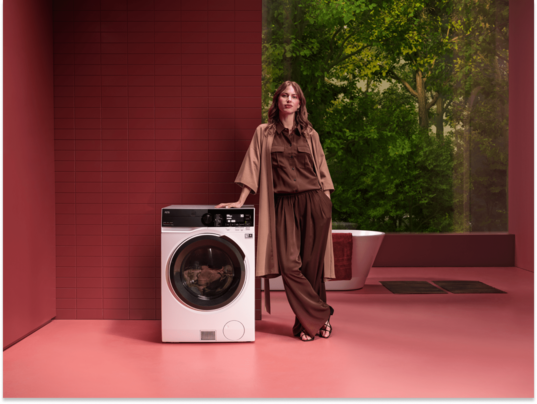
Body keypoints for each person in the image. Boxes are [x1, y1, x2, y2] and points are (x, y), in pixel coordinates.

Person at [215, 81, 335, 341]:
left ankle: (306, 324)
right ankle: (322, 313)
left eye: (294, 96)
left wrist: (326, 204)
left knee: (312, 268)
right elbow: (253, 165)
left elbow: (323, 173)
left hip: (315, 203)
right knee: (290, 265)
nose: (289, 100)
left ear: (300, 103)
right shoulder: (264, 132)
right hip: (283, 205)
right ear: (277, 100)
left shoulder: (311, 134)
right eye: (284, 95)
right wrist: (240, 201)